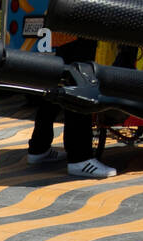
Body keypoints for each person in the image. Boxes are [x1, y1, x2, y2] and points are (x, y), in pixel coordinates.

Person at [26, 34, 116, 178]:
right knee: (80, 80)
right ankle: (80, 158)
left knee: (60, 80)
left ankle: (39, 148)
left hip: (66, 27)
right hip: (80, 25)